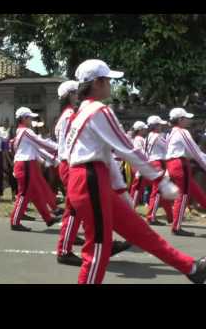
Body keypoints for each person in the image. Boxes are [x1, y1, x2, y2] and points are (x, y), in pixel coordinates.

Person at [66, 59, 206, 284]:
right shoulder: (99, 110)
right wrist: (159, 178)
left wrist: (121, 191)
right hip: (90, 180)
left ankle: (190, 268)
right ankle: (191, 268)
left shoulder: (80, 113)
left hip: (90, 179)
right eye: (108, 80)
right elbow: (127, 148)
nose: (111, 85)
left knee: (140, 231)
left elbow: (107, 157)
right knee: (98, 249)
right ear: (98, 83)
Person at [9, 107, 62, 232]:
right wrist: (59, 149)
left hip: (28, 164)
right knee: (24, 194)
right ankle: (14, 221)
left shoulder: (21, 132)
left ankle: (48, 218)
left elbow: (36, 148)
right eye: (29, 117)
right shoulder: (26, 131)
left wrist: (49, 158)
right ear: (23, 118)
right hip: (26, 164)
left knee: (35, 193)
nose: (31, 120)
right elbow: (41, 143)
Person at [54, 80, 86, 266]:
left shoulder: (67, 115)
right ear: (69, 95)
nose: (78, 95)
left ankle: (71, 238)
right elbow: (68, 145)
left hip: (68, 162)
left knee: (74, 208)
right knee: (75, 208)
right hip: (69, 163)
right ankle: (65, 249)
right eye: (75, 92)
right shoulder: (69, 116)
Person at [165, 108, 206, 236]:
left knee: (197, 192)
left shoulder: (171, 132)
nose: (190, 120)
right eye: (187, 118)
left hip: (174, 164)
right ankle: (176, 227)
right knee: (183, 195)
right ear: (180, 119)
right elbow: (195, 152)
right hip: (180, 164)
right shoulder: (182, 132)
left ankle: (176, 225)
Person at [144, 115, 174, 226]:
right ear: (155, 126)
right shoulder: (158, 136)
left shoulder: (148, 137)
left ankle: (171, 217)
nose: (161, 127)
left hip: (151, 162)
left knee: (162, 190)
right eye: (160, 125)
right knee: (158, 191)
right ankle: (151, 216)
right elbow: (168, 147)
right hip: (158, 162)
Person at [129, 121, 150, 208]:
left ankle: (133, 206)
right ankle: (132, 207)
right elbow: (140, 153)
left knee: (138, 188)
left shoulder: (139, 139)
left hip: (140, 166)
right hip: (140, 167)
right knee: (136, 188)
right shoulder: (138, 139)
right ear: (140, 130)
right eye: (144, 129)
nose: (146, 130)